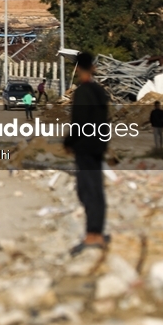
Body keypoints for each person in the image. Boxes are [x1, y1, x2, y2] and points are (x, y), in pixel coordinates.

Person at [64, 52, 110, 256]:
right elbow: (105, 119)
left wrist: (69, 141)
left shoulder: (82, 92)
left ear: (77, 69)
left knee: (86, 189)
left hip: (84, 146)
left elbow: (79, 121)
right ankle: (96, 231)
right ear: (92, 67)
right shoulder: (100, 91)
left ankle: (93, 234)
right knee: (96, 187)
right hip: (98, 145)